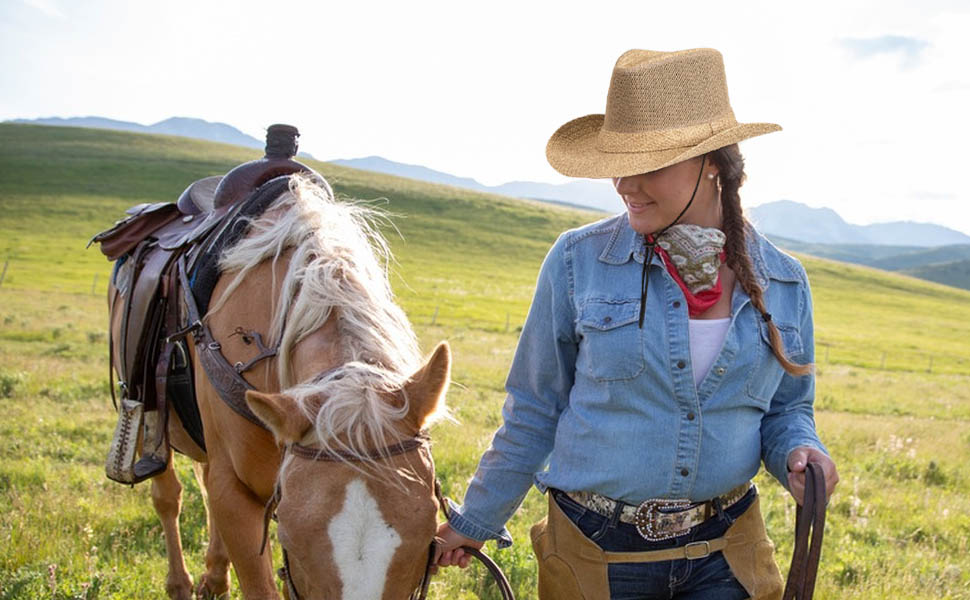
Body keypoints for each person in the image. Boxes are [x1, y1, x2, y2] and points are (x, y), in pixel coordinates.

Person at [435, 48, 839, 600]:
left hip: (728, 551)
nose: (626, 184)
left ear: (713, 163)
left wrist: (799, 451)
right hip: (593, 551)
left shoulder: (785, 283)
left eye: (650, 165)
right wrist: (476, 519)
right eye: (619, 164)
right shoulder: (579, 262)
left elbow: (788, 409)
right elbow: (534, 408)